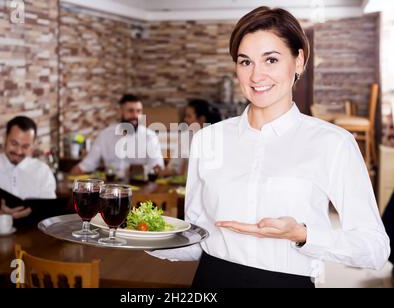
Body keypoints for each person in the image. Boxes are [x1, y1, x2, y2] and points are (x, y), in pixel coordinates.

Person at [149, 6, 390, 288]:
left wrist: (302, 234)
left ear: (298, 61)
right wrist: (136, 236)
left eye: (271, 60)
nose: (256, 76)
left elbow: (375, 248)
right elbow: (197, 240)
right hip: (210, 280)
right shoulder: (208, 139)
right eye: (245, 62)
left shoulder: (333, 143)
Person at [0, 116, 57, 224]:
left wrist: (34, 211)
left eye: (25, 146)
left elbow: (51, 213)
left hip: (33, 237)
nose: (18, 151)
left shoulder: (43, 171)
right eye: (14, 144)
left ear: (33, 144)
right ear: (5, 138)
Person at [70, 94, 165, 178]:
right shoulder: (105, 135)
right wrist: (70, 176)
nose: (135, 115)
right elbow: (87, 164)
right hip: (111, 190)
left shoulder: (150, 137)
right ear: (120, 112)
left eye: (139, 111)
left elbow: (157, 167)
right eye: (131, 111)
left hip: (141, 189)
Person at [165, 99, 222, 176]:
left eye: (189, 116)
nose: (185, 119)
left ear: (202, 119)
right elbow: (174, 167)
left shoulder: (218, 138)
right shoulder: (185, 137)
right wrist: (161, 172)